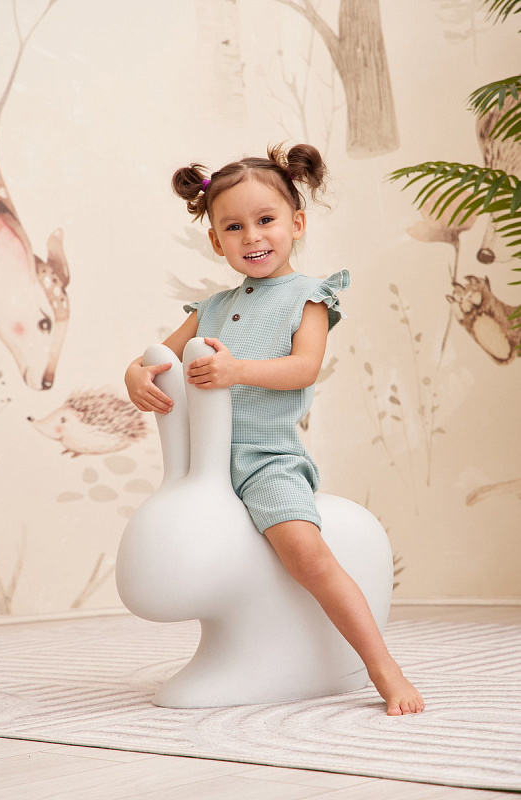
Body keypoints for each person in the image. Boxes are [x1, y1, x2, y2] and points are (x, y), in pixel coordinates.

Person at [125, 143, 424, 716]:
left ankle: (382, 665)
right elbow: (155, 357)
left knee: (307, 555)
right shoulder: (210, 308)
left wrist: (237, 371)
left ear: (297, 224)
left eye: (266, 220)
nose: (252, 236)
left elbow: (303, 368)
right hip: (202, 459)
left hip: (264, 458)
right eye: (234, 227)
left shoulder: (308, 298)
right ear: (216, 241)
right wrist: (134, 374)